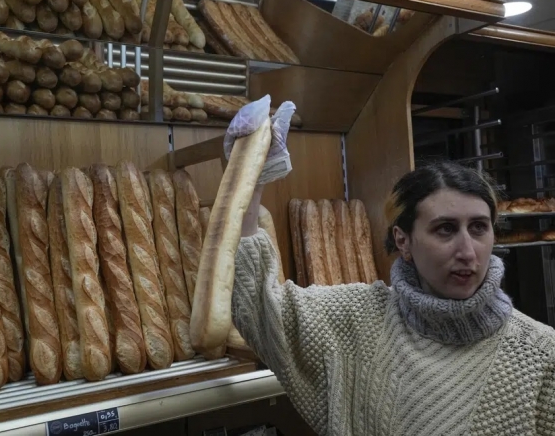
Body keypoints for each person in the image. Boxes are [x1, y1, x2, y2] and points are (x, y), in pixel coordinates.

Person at [225, 96, 555, 436]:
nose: (468, 252)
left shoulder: (540, 355)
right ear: (403, 241)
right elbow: (260, 310)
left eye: (478, 228)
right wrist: (249, 180)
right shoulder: (360, 320)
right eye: (445, 229)